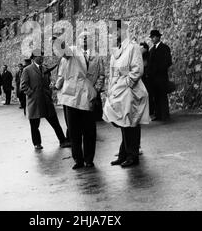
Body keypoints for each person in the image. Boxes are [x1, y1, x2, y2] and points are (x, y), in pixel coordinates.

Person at [54, 31, 105, 170]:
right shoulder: (72, 53)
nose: (84, 39)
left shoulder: (97, 56)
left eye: (87, 37)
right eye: (82, 37)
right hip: (72, 97)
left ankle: (89, 159)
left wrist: (96, 90)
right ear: (78, 40)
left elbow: (101, 75)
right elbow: (64, 52)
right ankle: (78, 159)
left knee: (89, 130)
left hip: (88, 96)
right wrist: (57, 41)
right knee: (74, 130)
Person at [103, 21, 150, 168]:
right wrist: (111, 89)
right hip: (118, 91)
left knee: (131, 123)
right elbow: (112, 73)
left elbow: (137, 70)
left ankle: (132, 155)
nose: (111, 35)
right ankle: (124, 153)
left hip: (130, 91)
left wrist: (127, 84)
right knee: (123, 123)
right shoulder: (116, 51)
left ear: (120, 31)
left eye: (113, 32)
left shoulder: (133, 48)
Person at [20, 49, 69, 150]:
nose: (41, 58)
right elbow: (23, 85)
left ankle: (63, 141)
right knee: (34, 125)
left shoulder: (45, 69)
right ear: (33, 58)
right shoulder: (27, 70)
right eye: (39, 56)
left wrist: (50, 89)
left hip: (46, 100)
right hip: (34, 102)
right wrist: (32, 94)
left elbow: (49, 81)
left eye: (42, 56)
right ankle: (37, 143)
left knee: (55, 122)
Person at [148, 30, 172, 121]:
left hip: (161, 77)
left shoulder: (165, 48)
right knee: (156, 96)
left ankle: (165, 115)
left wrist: (159, 69)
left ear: (158, 37)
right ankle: (158, 114)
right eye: (151, 37)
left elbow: (168, 62)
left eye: (154, 37)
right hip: (154, 78)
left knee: (162, 96)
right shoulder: (151, 50)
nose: (152, 39)